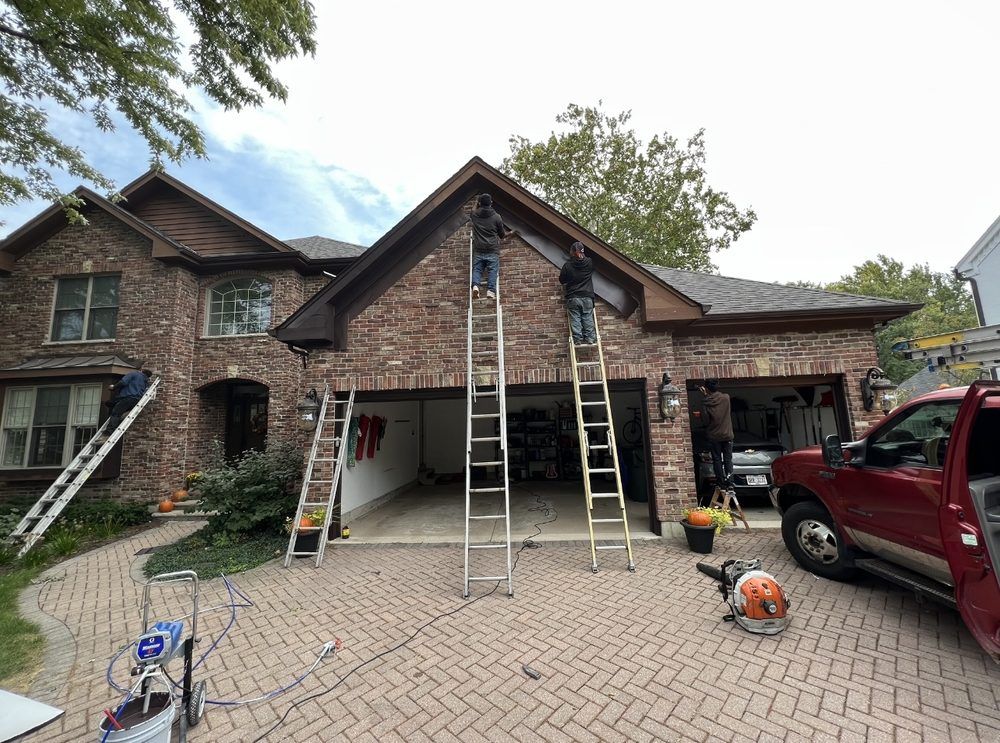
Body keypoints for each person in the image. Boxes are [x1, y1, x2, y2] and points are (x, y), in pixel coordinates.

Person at [469, 193, 511, 300]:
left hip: (478, 249)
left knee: (477, 270)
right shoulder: (497, 217)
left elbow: (473, 210)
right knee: (492, 270)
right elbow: (502, 235)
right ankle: (491, 291)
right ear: (491, 203)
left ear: (479, 203)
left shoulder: (474, 214)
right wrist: (511, 233)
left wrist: (476, 202)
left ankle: (475, 286)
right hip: (492, 249)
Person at [698, 379, 734, 491]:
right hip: (727, 434)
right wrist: (707, 394)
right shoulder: (726, 398)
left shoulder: (705, 402)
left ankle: (721, 483)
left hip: (714, 436)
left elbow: (706, 421)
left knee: (717, 459)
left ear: (706, 388)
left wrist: (705, 396)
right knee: (728, 459)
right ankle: (730, 483)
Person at [559, 241, 596, 345]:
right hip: (587, 296)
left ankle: (578, 339)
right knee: (587, 317)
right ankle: (589, 338)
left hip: (573, 297)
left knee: (575, 318)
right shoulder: (589, 262)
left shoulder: (567, 266)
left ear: (572, 252)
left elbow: (562, 280)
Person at [101, 368, 153, 437]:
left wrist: (113, 387)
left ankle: (109, 431)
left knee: (115, 413)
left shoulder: (134, 374)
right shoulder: (146, 381)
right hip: (136, 401)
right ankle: (120, 410)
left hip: (127, 398)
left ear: (141, 371)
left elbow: (123, 382)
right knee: (111, 403)